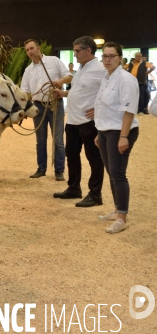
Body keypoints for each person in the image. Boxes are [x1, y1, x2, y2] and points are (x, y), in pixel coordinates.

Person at [52, 36, 106, 207]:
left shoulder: (101, 69)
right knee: (71, 155)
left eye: (77, 51)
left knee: (94, 158)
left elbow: (113, 91)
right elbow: (79, 91)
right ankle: (74, 188)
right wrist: (63, 94)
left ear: (87, 50)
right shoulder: (81, 68)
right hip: (73, 120)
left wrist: (99, 109)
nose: (74, 54)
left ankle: (95, 194)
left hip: (89, 122)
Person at [94, 42, 139, 234]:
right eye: (105, 56)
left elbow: (129, 110)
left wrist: (123, 136)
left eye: (112, 56)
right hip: (105, 131)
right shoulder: (106, 77)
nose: (107, 60)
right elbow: (103, 107)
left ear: (120, 57)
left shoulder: (126, 79)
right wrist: (99, 133)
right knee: (111, 172)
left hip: (120, 131)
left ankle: (122, 217)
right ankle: (116, 210)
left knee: (118, 174)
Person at [20, 39, 72, 181]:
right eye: (27, 50)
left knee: (58, 140)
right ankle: (41, 169)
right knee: (40, 140)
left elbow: (69, 76)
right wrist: (24, 108)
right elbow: (24, 92)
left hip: (55, 104)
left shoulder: (53, 61)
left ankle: (59, 170)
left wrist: (60, 82)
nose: (30, 52)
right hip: (37, 106)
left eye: (32, 48)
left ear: (38, 48)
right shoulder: (28, 70)